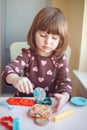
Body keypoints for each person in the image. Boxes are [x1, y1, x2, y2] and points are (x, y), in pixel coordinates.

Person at [1, 7, 72, 112]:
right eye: (43, 35)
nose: (48, 42)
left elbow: (66, 84)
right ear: (34, 33)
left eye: (54, 38)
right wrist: (15, 79)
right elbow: (6, 70)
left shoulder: (60, 59)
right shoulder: (27, 55)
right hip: (23, 104)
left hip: (49, 106)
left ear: (61, 40)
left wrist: (64, 96)